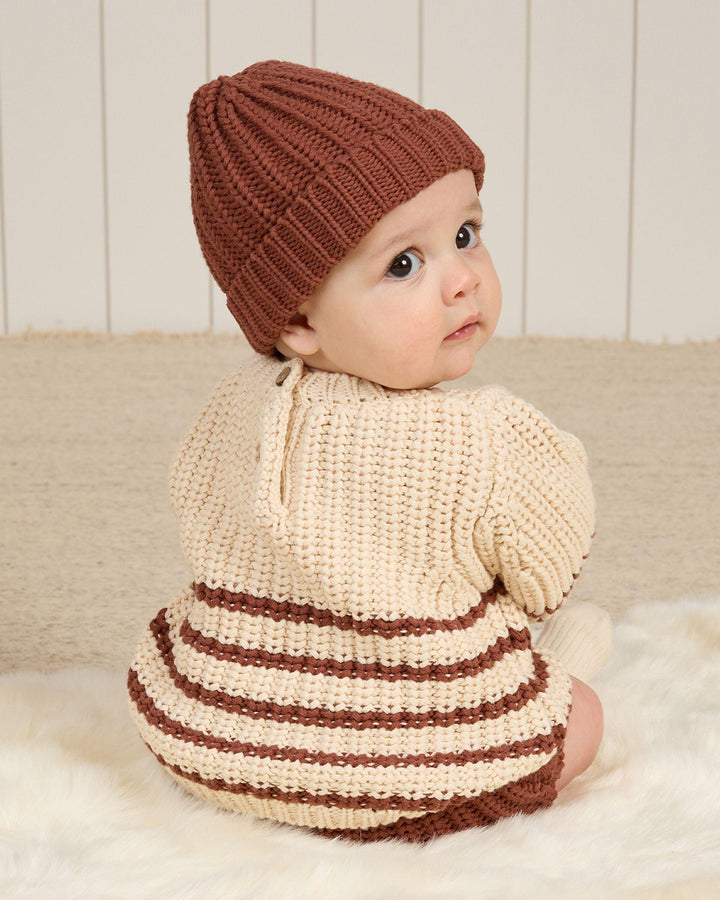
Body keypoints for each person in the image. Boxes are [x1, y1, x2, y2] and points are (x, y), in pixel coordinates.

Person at [128, 60, 612, 843]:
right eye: (404, 264)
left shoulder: (227, 411)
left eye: (465, 236)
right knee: (580, 716)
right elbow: (546, 575)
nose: (461, 281)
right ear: (298, 321)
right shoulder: (483, 436)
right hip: (410, 758)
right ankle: (473, 738)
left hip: (217, 740)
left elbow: (205, 523)